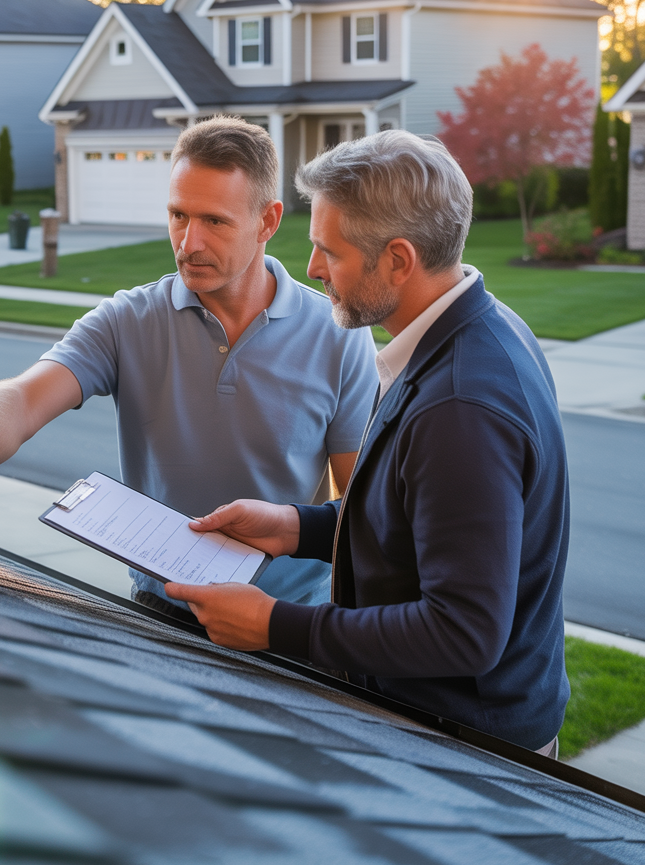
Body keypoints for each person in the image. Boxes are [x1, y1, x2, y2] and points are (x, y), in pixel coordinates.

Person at [0, 116, 378, 613]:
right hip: (161, 611)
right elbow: (24, 397)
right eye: (178, 215)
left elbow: (358, 512)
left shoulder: (339, 335)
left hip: (285, 621)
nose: (189, 242)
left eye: (214, 220)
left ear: (268, 221)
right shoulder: (128, 319)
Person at [165, 130, 570, 754]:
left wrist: (275, 625)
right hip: (439, 729)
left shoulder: (462, 407)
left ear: (398, 260)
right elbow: (415, 527)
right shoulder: (470, 328)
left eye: (330, 251)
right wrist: (294, 527)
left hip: (463, 750)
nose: (311, 269)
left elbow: (462, 632)